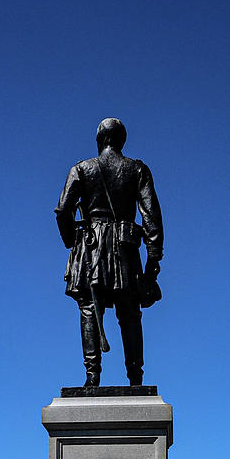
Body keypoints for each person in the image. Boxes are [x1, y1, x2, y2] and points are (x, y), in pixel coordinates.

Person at [55, 118, 163, 387]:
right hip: (124, 249)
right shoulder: (137, 170)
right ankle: (136, 379)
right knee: (129, 313)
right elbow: (152, 218)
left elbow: (63, 210)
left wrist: (72, 241)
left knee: (90, 310)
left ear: (100, 140)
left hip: (90, 248)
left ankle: (92, 377)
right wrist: (153, 261)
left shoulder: (81, 169)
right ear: (121, 141)